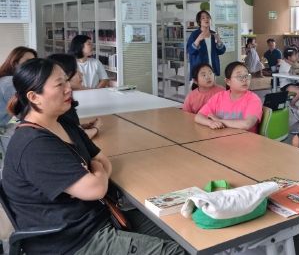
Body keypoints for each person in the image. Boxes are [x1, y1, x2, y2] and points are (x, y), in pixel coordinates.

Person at [2, 58, 186, 254]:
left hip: (101, 216)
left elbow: (102, 159)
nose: (68, 89)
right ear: (34, 97)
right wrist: (95, 170)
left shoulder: (64, 123)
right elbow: (96, 189)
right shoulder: (34, 144)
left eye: (67, 81)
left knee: (179, 233)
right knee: (175, 251)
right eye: (59, 84)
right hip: (74, 240)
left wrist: (93, 171)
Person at [195, 61, 262, 133]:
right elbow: (198, 116)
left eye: (246, 76)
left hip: (245, 138)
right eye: (239, 76)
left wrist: (220, 121)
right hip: (221, 137)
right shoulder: (219, 97)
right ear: (228, 81)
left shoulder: (253, 99)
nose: (244, 79)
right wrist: (210, 123)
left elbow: (247, 124)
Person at [47, 53, 102, 139]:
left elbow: (65, 129)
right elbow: (74, 137)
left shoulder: (64, 99)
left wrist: (80, 127)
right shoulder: (60, 104)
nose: (81, 74)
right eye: (76, 70)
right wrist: (96, 129)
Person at [0, 46, 37, 127]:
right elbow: (21, 113)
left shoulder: (9, 79)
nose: (32, 65)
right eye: (28, 61)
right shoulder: (9, 82)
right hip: (4, 130)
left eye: (34, 62)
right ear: (15, 64)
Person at [186, 10, 226, 78]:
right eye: (203, 18)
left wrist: (219, 40)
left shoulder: (214, 34)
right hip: (199, 70)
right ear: (199, 21)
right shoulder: (194, 34)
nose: (206, 19)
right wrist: (198, 40)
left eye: (208, 17)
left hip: (212, 69)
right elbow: (190, 51)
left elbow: (221, 51)